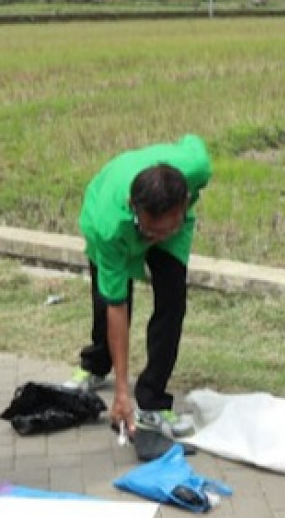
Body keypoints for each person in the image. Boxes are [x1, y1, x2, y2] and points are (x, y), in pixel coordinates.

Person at [65, 135, 212, 440]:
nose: (154, 239)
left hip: (164, 217)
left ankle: (152, 399)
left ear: (184, 203)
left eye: (164, 230)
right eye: (150, 231)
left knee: (173, 302)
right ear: (135, 208)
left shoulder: (196, 168)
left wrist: (164, 231)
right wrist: (121, 391)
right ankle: (97, 363)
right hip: (108, 215)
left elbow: (191, 140)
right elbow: (117, 306)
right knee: (108, 298)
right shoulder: (109, 225)